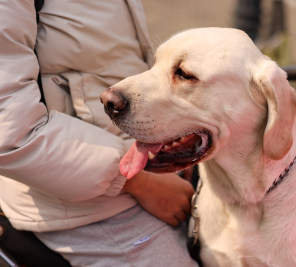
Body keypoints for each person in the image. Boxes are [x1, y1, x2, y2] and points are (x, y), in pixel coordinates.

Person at [0, 1, 198, 266]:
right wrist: (137, 181)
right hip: (83, 204)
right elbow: (9, 131)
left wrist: (170, 147)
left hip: (148, 166)